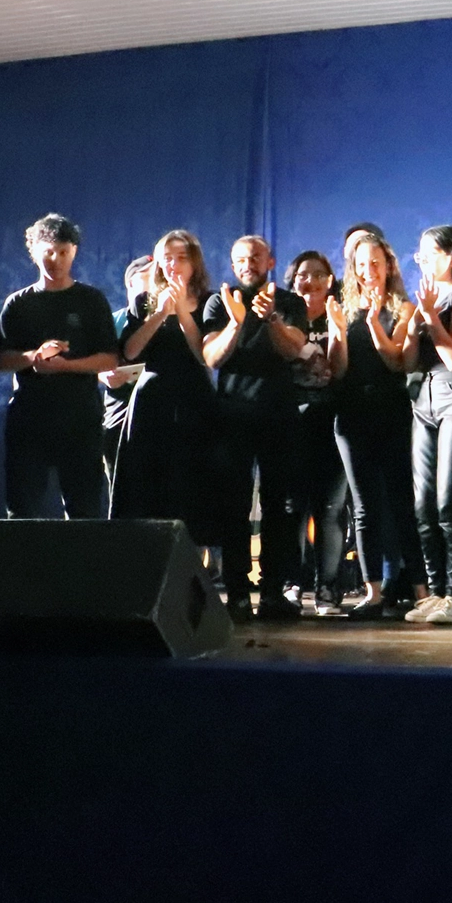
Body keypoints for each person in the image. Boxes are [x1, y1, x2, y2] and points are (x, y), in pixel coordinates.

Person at [201, 235, 309, 621]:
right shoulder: (220, 300)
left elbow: (294, 350)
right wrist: (236, 322)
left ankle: (273, 591)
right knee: (234, 505)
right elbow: (212, 356)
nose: (249, 264)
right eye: (241, 259)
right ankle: (239, 593)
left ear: (271, 261)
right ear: (233, 265)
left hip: (279, 414)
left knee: (279, 506)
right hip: (232, 416)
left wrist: (271, 319)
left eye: (256, 257)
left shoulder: (290, 302)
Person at [0, 215, 119, 520]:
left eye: (63, 252)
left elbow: (109, 359)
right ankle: (25, 567)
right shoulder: (18, 303)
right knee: (22, 507)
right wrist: (34, 358)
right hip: (29, 418)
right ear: (34, 252)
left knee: (84, 507)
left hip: (80, 418)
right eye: (48, 252)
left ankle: (81, 568)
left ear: (73, 251)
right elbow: (0, 360)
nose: (56, 260)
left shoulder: (91, 300)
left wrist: (65, 366)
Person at [327, 231, 425, 619]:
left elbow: (397, 362)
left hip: (393, 412)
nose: (368, 271)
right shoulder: (344, 307)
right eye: (361, 264)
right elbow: (338, 369)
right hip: (352, 415)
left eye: (375, 263)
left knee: (402, 503)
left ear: (389, 267)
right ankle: (373, 592)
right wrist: (338, 330)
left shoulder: (404, 308)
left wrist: (373, 323)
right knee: (364, 506)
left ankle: (420, 590)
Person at [112, 230, 222, 568]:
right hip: (152, 399)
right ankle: (146, 562)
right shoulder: (143, 300)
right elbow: (129, 351)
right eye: (167, 257)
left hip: (194, 398)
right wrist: (160, 313)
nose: (173, 264)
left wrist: (182, 312)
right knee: (148, 480)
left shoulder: (209, 300)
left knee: (191, 479)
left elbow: (203, 355)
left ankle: (195, 563)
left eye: (181, 257)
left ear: (194, 262)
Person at [405, 225, 452, 625]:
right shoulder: (424, 298)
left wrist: (432, 318)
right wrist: (410, 324)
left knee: (449, 502)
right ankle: (434, 592)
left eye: (431, 254)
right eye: (420, 255)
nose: (424, 262)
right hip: (424, 400)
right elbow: (407, 361)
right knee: (422, 503)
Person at [285, 250, 350, 613]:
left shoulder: (340, 314)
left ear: (330, 281)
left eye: (318, 275)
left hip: (333, 419)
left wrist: (338, 330)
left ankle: (328, 589)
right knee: (294, 506)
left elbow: (338, 371)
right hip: (291, 420)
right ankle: (292, 582)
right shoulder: (282, 316)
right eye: (302, 275)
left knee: (329, 508)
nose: (309, 281)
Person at [100, 255, 154, 482]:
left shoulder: (168, 318)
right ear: (132, 282)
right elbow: (96, 362)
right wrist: (104, 375)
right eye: (150, 277)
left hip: (157, 411)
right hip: (119, 409)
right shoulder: (113, 321)